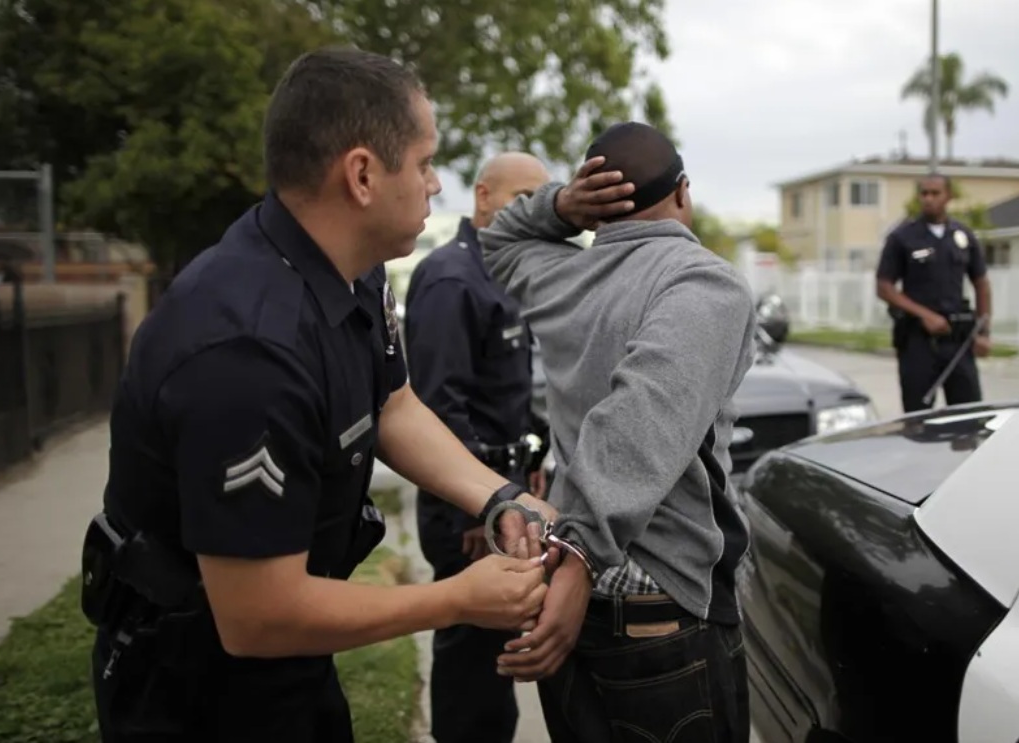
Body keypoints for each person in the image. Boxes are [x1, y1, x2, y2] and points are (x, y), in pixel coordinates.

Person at [80, 47, 553, 743]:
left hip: (291, 667)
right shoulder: (246, 350)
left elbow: (393, 405)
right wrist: (453, 598)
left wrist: (498, 495)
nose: (435, 185)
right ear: (361, 174)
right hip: (196, 691)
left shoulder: (348, 269)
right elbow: (257, 616)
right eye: (423, 163)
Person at [479, 122, 758, 743]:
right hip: (660, 604)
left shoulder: (561, 276)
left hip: (566, 578)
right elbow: (639, 421)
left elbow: (499, 237)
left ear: (596, 200)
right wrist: (581, 555)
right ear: (683, 194)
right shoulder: (703, 282)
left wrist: (559, 206)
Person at [402, 151, 552, 743]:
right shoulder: (451, 278)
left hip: (498, 493)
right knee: (472, 668)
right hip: (468, 505)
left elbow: (510, 391)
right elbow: (440, 406)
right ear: (483, 196)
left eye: (541, 200)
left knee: (496, 659)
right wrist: (477, 505)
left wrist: (528, 467)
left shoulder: (503, 270)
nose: (533, 212)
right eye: (521, 199)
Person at [876, 173, 992, 413]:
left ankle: (965, 451)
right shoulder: (902, 237)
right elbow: (884, 287)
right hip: (918, 341)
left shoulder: (963, 236)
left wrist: (983, 332)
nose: (929, 199)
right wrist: (924, 315)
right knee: (918, 418)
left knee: (967, 417)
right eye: (924, 193)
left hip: (957, 340)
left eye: (935, 193)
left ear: (948, 196)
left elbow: (981, 283)